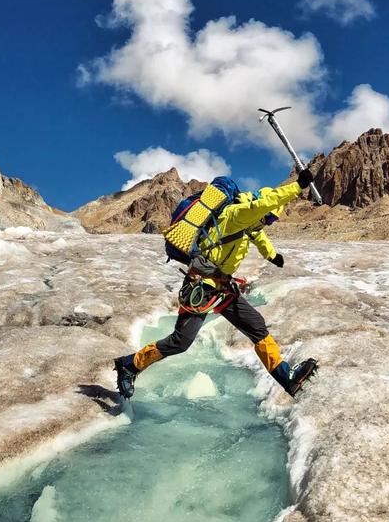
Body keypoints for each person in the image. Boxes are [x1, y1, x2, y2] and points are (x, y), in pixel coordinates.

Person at [114, 168, 318, 399]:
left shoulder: (247, 225)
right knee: (181, 342)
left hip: (224, 289)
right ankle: (130, 365)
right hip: (201, 287)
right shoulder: (236, 214)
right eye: (270, 218)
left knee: (256, 327)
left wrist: (272, 255)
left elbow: (258, 236)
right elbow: (259, 207)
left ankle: (286, 378)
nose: (268, 223)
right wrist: (297, 186)